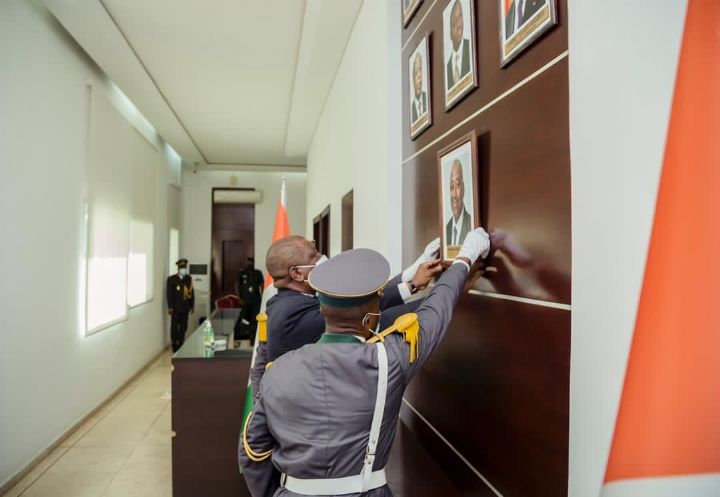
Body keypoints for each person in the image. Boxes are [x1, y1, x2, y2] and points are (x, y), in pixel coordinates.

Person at [239, 228, 490, 496]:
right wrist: (464, 259)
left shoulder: (275, 372)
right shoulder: (388, 361)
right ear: (371, 318)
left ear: (322, 308)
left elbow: (253, 450)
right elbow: (435, 313)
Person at [249, 236, 442, 395]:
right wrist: (415, 286)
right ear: (298, 273)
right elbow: (355, 308)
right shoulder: (290, 315)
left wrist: (413, 271)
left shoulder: (292, 300)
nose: (322, 257)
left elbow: (363, 297)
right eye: (314, 255)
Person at [167, 258, 195, 352]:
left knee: (184, 327)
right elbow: (169, 294)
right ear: (178, 268)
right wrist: (170, 307)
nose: (184, 269)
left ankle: (180, 343)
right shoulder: (172, 279)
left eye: (185, 267)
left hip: (185, 307)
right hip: (175, 308)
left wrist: (192, 305)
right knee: (174, 327)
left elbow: (191, 293)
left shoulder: (188, 278)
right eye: (182, 267)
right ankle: (174, 344)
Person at [235, 257, 264, 344]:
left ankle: (253, 338)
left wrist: (263, 297)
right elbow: (236, 285)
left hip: (256, 301)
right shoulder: (241, 273)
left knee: (255, 320)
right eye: (248, 263)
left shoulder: (258, 273)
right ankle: (242, 336)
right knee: (243, 319)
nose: (249, 264)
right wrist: (239, 298)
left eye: (251, 263)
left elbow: (262, 285)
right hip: (244, 301)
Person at [445, 0, 471, 89]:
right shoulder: (447, 67)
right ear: (450, 33)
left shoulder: (470, 49)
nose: (458, 25)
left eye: (460, 16)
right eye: (454, 22)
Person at [445, 159, 472, 246]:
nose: (454, 195)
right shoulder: (446, 230)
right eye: (452, 187)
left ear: (463, 188)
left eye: (458, 185)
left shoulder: (472, 224)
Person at [411, 52, 428, 124]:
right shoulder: (411, 109)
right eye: (416, 72)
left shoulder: (427, 98)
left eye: (420, 71)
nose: (419, 79)